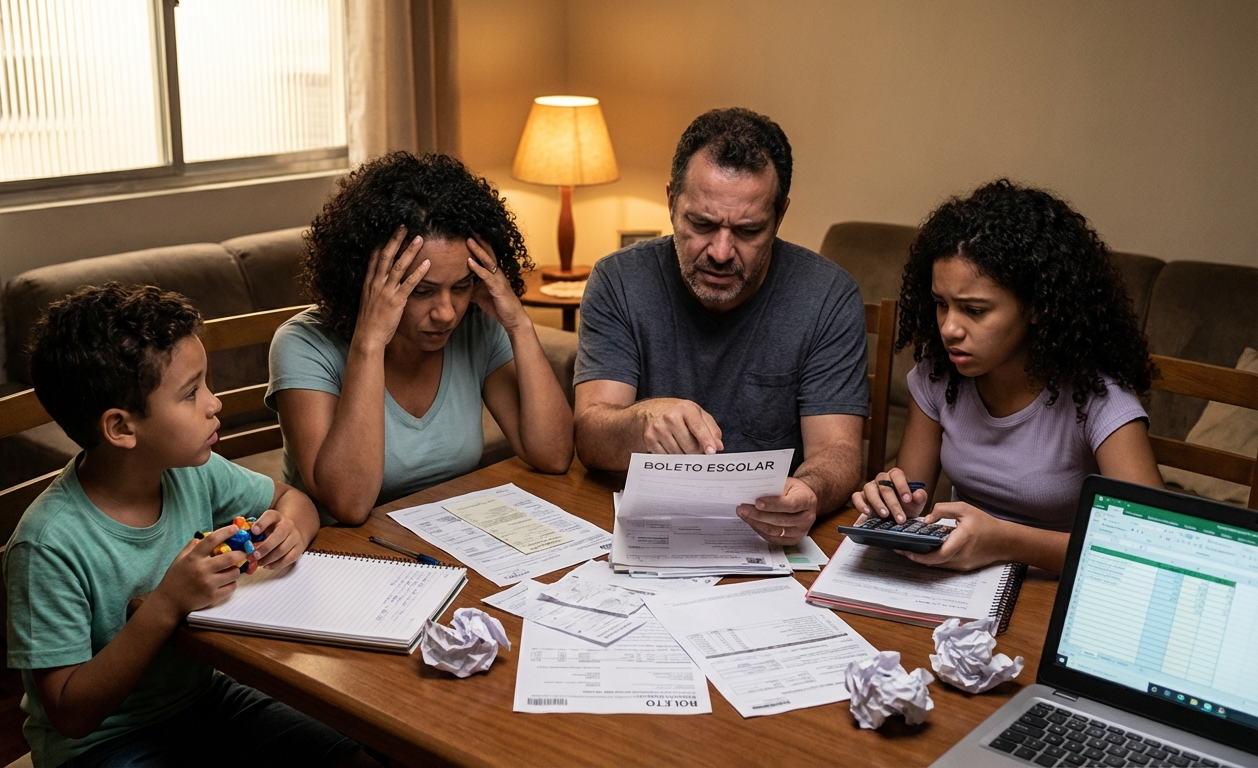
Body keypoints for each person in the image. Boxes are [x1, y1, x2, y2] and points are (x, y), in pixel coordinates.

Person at [7, 283, 363, 767]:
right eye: (192, 392)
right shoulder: (48, 545)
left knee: (350, 755)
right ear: (122, 428)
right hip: (104, 744)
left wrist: (291, 530)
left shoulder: (192, 471)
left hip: (207, 702)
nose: (214, 403)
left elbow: (291, 497)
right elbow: (71, 713)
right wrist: (167, 604)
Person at [575, 107, 869, 546]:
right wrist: (641, 422)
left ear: (780, 216)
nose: (721, 251)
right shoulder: (619, 280)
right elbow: (590, 435)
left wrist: (809, 491)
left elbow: (839, 452)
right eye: (702, 224)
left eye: (749, 230)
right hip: (645, 528)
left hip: (768, 535)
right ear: (672, 202)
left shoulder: (828, 295)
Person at [850, 179, 1164, 573]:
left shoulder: (1097, 397)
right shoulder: (940, 374)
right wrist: (890, 500)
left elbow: (1152, 543)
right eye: (940, 304)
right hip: (963, 582)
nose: (949, 328)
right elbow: (912, 493)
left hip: (1055, 587)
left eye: (975, 310)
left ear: (1038, 308)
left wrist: (1006, 541)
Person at [268, 152, 573, 524]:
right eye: (422, 291)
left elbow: (553, 456)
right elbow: (348, 504)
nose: (446, 312)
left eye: (461, 287)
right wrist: (369, 343)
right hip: (342, 557)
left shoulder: (476, 327)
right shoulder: (303, 344)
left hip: (446, 537)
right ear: (367, 280)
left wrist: (519, 326)